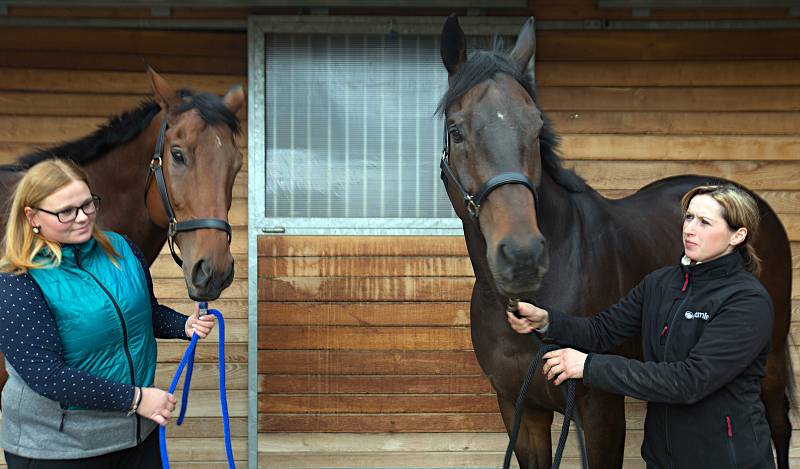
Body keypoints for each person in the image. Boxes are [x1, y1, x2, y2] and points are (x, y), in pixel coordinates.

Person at [507, 184, 775, 469]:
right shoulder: (660, 283)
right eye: (689, 217)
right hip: (662, 458)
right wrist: (548, 321)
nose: (689, 229)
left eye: (705, 222)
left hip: (725, 460)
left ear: (738, 235)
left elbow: (690, 381)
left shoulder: (746, 301)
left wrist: (589, 367)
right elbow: (602, 331)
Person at [0, 159, 217, 468]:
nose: (82, 218)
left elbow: (145, 312)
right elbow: (47, 375)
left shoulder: (121, 249)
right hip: (60, 449)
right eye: (66, 211)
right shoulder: (17, 281)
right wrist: (138, 399)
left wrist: (184, 325)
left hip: (136, 437)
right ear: (32, 216)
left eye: (88, 204)